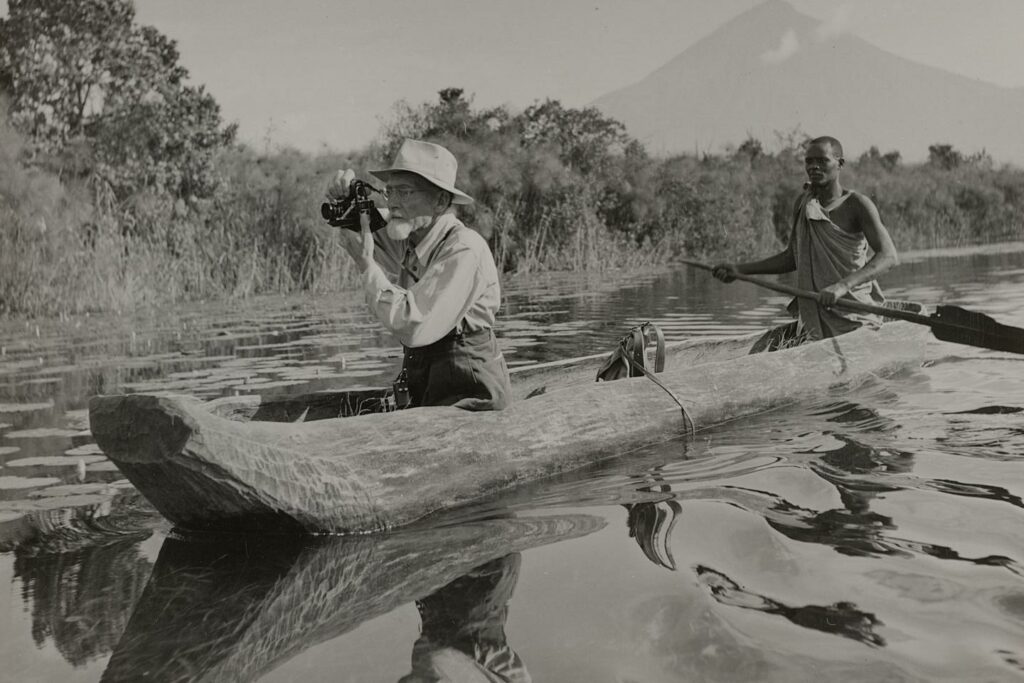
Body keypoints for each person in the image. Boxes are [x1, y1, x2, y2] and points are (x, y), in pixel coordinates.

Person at [328, 139, 512, 410]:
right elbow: (355, 226)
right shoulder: (409, 233)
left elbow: (413, 327)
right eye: (390, 192)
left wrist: (367, 265)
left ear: (440, 201)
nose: (393, 204)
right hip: (427, 384)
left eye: (405, 192)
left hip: (473, 392)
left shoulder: (464, 250)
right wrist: (342, 197)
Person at [712, 136, 899, 352]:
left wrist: (841, 286)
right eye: (809, 161)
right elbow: (792, 256)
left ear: (840, 164)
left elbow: (889, 256)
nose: (814, 167)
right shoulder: (803, 203)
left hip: (854, 317)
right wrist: (739, 270)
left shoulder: (857, 204)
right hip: (814, 319)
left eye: (822, 160)